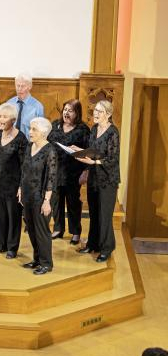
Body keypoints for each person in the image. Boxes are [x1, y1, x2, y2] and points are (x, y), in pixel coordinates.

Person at [75, 100, 120, 262]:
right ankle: (93, 243)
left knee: (104, 215)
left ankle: (107, 248)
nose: (95, 113)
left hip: (108, 180)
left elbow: (112, 159)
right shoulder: (94, 129)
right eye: (95, 110)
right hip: (94, 177)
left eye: (99, 111)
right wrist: (78, 151)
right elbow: (92, 152)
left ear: (108, 114)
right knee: (93, 213)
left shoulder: (113, 132)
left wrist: (93, 163)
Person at [0, 103, 28, 259]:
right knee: (0, 215)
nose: (1, 119)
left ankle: (12, 248)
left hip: (13, 184)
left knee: (13, 216)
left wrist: (21, 187)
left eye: (4, 117)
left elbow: (25, 165)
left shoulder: (21, 139)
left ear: (13, 120)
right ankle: (0, 244)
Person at [48, 99, 90, 245]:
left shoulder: (83, 129)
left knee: (73, 203)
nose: (66, 112)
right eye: (65, 109)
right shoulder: (55, 125)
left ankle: (76, 232)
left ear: (77, 113)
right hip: (55, 171)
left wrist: (86, 171)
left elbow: (87, 152)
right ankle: (58, 229)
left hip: (73, 173)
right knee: (56, 201)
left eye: (70, 110)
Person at [19, 117, 57, 275]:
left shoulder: (50, 151)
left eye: (34, 129)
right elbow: (24, 170)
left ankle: (46, 263)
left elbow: (51, 178)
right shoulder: (29, 147)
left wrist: (47, 201)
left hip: (42, 198)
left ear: (44, 133)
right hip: (28, 194)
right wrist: (20, 188)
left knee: (42, 231)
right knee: (32, 229)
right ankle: (37, 259)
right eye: (30, 128)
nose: (30, 132)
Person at [7, 73, 44, 137]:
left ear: (30, 87)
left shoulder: (37, 107)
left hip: (28, 144)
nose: (19, 89)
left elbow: (40, 131)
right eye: (18, 86)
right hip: (10, 142)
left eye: (23, 86)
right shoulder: (9, 103)